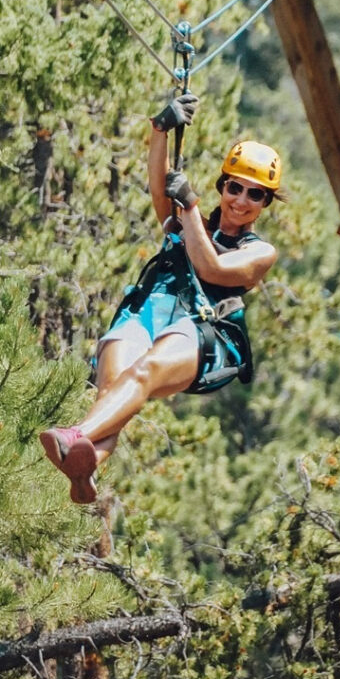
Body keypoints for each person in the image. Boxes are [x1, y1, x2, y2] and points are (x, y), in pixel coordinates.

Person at [38, 92, 282, 504]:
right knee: (112, 392)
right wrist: (160, 130)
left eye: (254, 194)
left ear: (264, 203)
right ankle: (86, 466)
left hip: (202, 330)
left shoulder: (260, 252)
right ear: (224, 185)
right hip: (151, 309)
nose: (241, 200)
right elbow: (158, 187)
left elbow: (212, 270)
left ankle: (74, 436)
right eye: (236, 187)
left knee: (143, 374)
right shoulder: (186, 220)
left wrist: (189, 208)